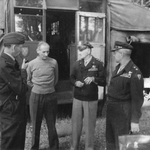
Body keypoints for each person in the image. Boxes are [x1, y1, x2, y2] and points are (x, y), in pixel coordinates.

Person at [106, 41, 144, 150]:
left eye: (115, 52)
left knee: (122, 143)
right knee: (111, 141)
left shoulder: (135, 73)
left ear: (121, 54)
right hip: (112, 111)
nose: (113, 55)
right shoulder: (118, 68)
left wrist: (134, 121)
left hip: (123, 112)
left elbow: (137, 100)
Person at [70, 42, 105, 150]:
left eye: (81, 51)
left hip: (90, 98)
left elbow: (104, 81)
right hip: (78, 98)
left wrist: (94, 79)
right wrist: (76, 83)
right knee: (76, 125)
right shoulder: (76, 64)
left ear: (89, 51)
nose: (79, 53)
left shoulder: (98, 64)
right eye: (78, 51)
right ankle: (73, 147)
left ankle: (89, 148)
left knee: (90, 126)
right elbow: (71, 78)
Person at [27, 41, 59, 150]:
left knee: (51, 124)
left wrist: (48, 88)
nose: (46, 54)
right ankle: (34, 147)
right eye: (43, 52)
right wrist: (38, 88)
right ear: (37, 51)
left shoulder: (54, 62)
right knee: (35, 124)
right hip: (36, 97)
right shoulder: (31, 64)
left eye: (47, 52)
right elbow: (28, 80)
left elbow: (56, 79)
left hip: (51, 96)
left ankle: (54, 147)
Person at [0, 32, 28, 150]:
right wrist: (23, 71)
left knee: (18, 140)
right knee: (10, 141)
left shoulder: (10, 61)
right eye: (20, 46)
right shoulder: (4, 64)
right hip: (10, 110)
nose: (22, 49)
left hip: (14, 108)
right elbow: (21, 89)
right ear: (13, 47)